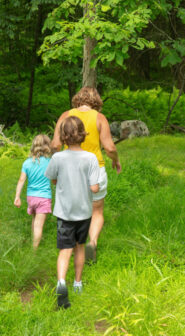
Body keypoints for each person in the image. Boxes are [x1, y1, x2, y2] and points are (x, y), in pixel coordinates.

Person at [51, 87, 121, 264]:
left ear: (77, 99)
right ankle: (92, 242)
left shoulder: (66, 115)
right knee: (96, 210)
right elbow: (110, 147)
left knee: (72, 208)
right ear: (96, 101)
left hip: (69, 171)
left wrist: (56, 163)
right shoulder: (99, 118)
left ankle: (73, 244)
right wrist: (115, 160)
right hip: (95, 168)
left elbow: (54, 145)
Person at [45, 116, 100, 309]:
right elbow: (94, 188)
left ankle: (61, 283)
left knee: (65, 250)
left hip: (64, 213)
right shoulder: (91, 158)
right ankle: (77, 283)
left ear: (63, 136)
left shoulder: (57, 158)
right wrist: (93, 184)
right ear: (83, 134)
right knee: (80, 247)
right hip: (84, 213)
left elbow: (52, 179)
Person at [14, 134, 53, 250]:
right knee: (38, 225)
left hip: (31, 197)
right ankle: (34, 251)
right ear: (47, 146)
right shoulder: (50, 162)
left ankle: (33, 242)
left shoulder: (27, 163)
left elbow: (21, 180)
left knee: (34, 220)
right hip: (44, 197)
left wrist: (17, 196)